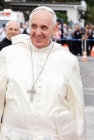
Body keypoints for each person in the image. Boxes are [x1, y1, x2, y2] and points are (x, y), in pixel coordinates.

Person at [0, 6, 85, 140]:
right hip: (12, 136)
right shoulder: (8, 54)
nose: (37, 32)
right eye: (34, 26)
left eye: (44, 27)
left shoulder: (68, 61)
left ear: (55, 29)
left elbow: (76, 110)